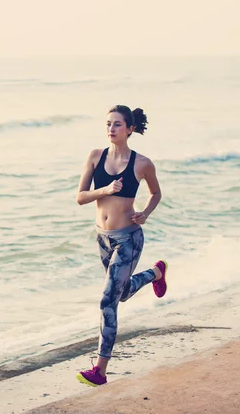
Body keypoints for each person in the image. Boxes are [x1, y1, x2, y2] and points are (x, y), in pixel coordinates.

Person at [75, 105, 167, 387]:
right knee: (121, 293)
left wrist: (146, 213)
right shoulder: (94, 156)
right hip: (102, 237)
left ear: (129, 129)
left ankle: (100, 370)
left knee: (108, 300)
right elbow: (80, 197)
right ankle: (156, 273)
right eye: (108, 124)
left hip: (129, 237)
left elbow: (155, 193)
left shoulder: (142, 163)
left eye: (117, 124)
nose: (111, 129)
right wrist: (105, 190)